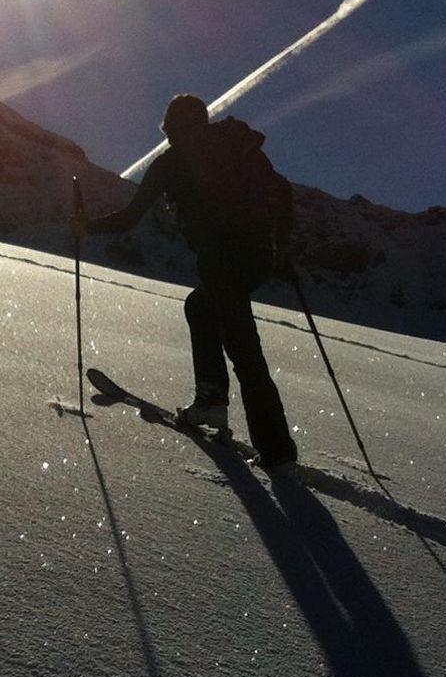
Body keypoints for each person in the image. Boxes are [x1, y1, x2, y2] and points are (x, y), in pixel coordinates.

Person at [73, 93, 298, 469]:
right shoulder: (236, 147)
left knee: (243, 347)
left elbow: (131, 216)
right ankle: (212, 401)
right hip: (256, 257)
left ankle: (276, 451)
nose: (173, 136)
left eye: (172, 130)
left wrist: (87, 227)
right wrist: (283, 245)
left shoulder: (172, 161)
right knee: (201, 307)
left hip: (221, 259)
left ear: (173, 127)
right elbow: (283, 190)